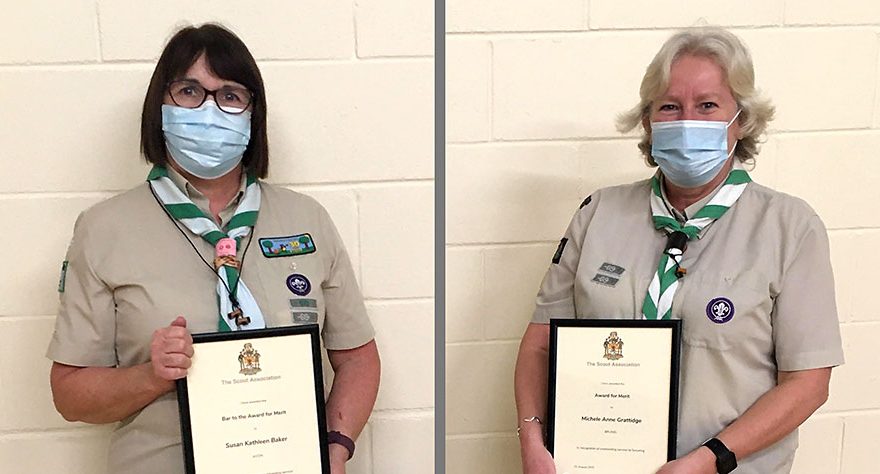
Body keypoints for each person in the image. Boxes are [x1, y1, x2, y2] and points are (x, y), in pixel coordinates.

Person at [46, 24, 380, 474]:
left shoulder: (307, 220)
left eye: (230, 95)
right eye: (188, 91)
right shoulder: (104, 229)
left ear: (252, 114)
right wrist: (152, 374)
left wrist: (334, 449)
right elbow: (70, 395)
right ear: (160, 106)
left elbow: (358, 357)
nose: (209, 109)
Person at [514, 27, 843, 474]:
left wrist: (711, 459)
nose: (687, 120)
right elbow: (539, 343)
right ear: (648, 121)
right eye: (669, 106)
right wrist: (532, 440)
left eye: (708, 105)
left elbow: (807, 382)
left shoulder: (791, 227)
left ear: (740, 119)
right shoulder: (597, 214)